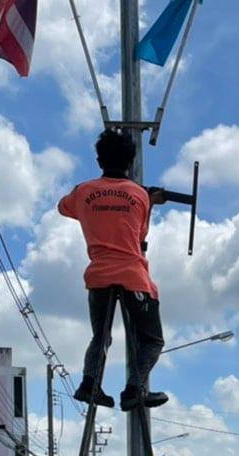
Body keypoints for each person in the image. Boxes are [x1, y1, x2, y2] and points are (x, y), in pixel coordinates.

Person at [56, 128, 168, 412]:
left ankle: (89, 384)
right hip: (132, 276)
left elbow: (63, 207)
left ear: (99, 160)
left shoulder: (83, 191)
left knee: (101, 336)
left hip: (98, 275)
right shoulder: (139, 195)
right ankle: (134, 389)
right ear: (130, 162)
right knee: (152, 340)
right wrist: (149, 201)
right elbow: (140, 236)